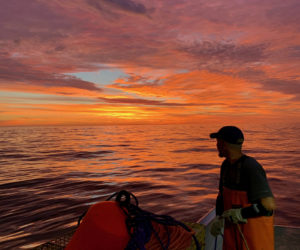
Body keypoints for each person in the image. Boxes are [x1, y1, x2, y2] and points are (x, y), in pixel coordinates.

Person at [209, 126, 275, 250]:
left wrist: (241, 213)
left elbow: (268, 207)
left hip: (254, 237)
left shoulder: (251, 167)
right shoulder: (225, 166)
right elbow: (221, 196)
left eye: (218, 142)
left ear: (224, 144)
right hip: (233, 235)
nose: (217, 146)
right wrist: (218, 218)